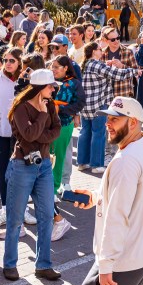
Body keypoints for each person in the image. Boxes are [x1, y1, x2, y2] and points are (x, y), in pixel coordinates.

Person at [72, 96, 143, 285]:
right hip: (141, 255)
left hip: (122, 260)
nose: (108, 124)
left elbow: (117, 217)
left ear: (133, 123)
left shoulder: (125, 160)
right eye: (108, 118)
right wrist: (97, 196)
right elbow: (127, 196)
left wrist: (106, 266)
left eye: (116, 119)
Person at [2, 68, 61, 282]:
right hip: (22, 165)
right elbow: (27, 135)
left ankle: (43, 265)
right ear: (39, 88)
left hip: (44, 165)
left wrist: (39, 135)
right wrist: (43, 118)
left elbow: (57, 131)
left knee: (46, 217)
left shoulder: (51, 105)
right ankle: (10, 264)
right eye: (50, 86)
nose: (54, 89)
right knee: (15, 218)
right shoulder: (21, 108)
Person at [78, 42, 140, 174]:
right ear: (94, 51)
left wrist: (107, 65)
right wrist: (134, 71)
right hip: (98, 104)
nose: (102, 52)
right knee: (98, 134)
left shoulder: (85, 64)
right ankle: (96, 164)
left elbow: (103, 70)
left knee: (85, 132)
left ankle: (82, 162)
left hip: (85, 105)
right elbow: (116, 75)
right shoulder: (97, 64)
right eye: (99, 50)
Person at [0, 48, 24, 232]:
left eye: (12, 60)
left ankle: (22, 210)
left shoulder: (25, 81)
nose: (8, 63)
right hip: (1, 134)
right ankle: (5, 210)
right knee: (3, 173)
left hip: (22, 136)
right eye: (5, 60)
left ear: (19, 62)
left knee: (22, 174)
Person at [50, 55, 84, 199]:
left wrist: (61, 110)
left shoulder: (74, 83)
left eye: (56, 67)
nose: (53, 70)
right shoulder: (49, 81)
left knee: (58, 157)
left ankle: (54, 189)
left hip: (63, 125)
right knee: (47, 156)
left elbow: (80, 102)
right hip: (47, 125)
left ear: (65, 68)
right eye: (52, 67)